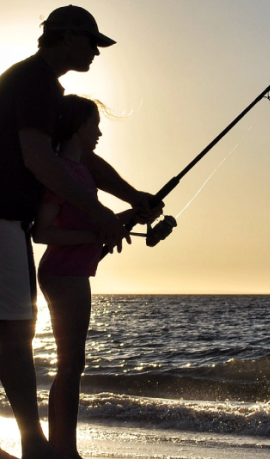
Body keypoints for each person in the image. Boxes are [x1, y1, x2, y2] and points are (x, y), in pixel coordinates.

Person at [0, 6, 162, 459]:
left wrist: (131, 195)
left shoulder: (39, 85)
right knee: (16, 330)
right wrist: (98, 213)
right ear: (69, 37)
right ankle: (33, 446)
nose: (97, 52)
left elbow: (73, 159)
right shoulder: (37, 81)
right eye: (92, 42)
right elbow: (41, 158)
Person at [33, 95, 175, 459]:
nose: (99, 133)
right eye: (95, 125)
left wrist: (134, 211)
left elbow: (97, 223)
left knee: (71, 366)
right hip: (64, 276)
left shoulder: (79, 171)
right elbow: (42, 232)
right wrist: (94, 235)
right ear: (79, 127)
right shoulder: (62, 172)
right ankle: (64, 451)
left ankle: (64, 448)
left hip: (73, 273)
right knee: (70, 366)